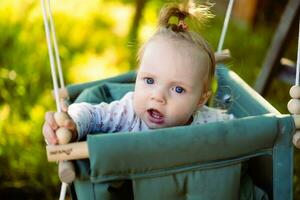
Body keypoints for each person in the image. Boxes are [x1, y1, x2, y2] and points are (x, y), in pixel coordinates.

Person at [43, 0, 233, 145]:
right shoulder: (128, 113)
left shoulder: (209, 122)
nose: (158, 97)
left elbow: (243, 132)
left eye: (178, 89)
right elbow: (94, 115)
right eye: (149, 81)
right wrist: (72, 123)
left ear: (200, 100)